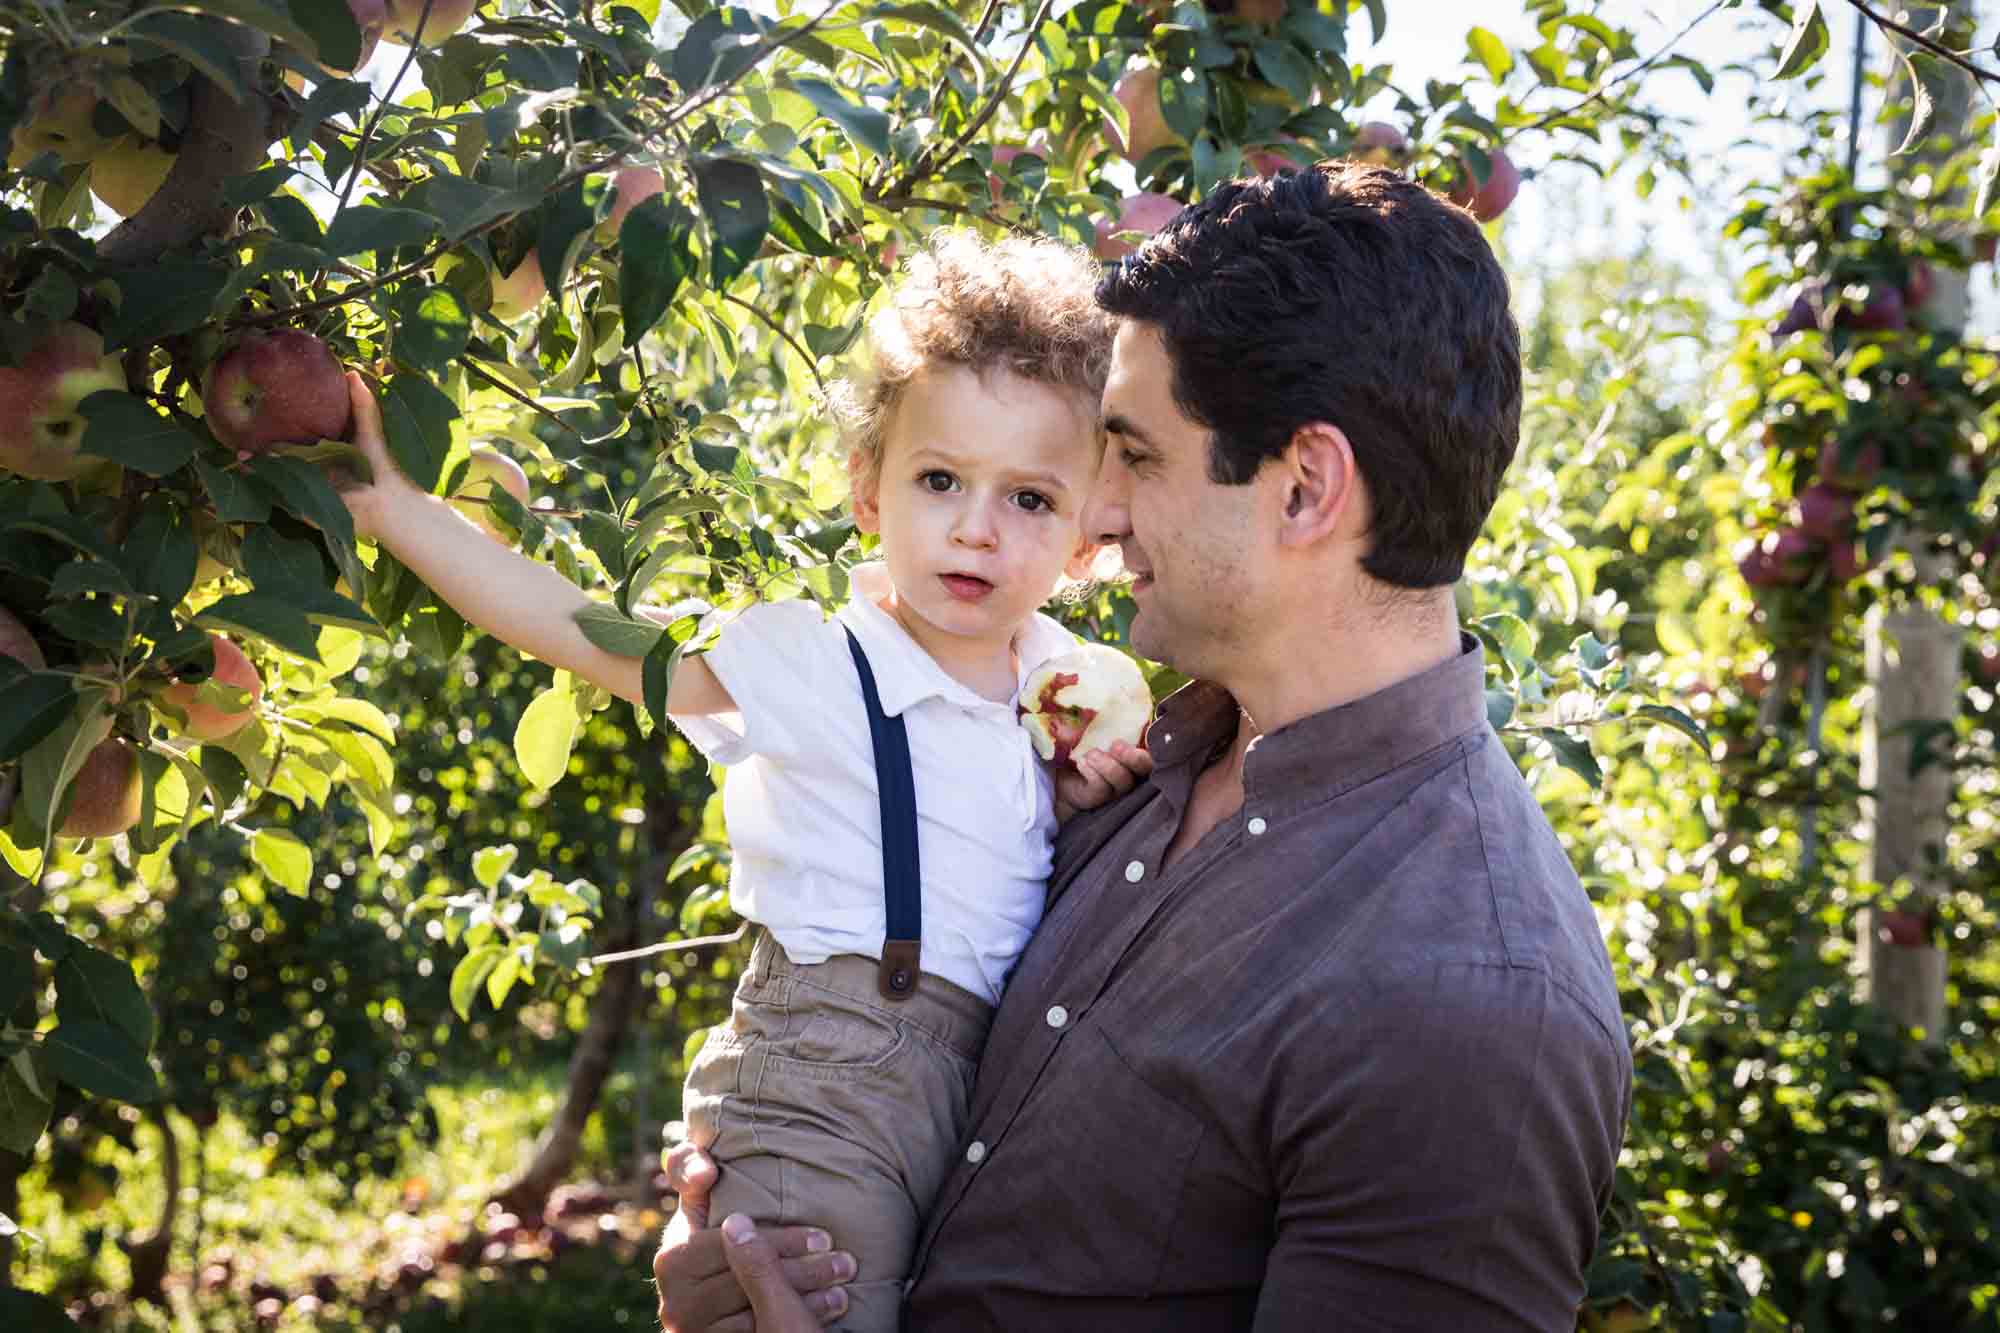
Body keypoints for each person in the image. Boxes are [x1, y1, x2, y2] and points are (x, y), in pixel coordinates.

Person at [652, 159, 1634, 1332]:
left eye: (1139, 455)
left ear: (1304, 486)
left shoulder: (1468, 1002)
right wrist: (760, 1258)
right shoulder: (1117, 765)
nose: (1094, 512)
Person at [331, 230, 1151, 1333]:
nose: (974, 525)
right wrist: (393, 511)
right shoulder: (815, 657)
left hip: (980, 1097)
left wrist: (1075, 805)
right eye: (941, 478)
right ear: (869, 490)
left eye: (1029, 500)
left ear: (1090, 533)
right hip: (820, 1082)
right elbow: (586, 632)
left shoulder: (1065, 690)